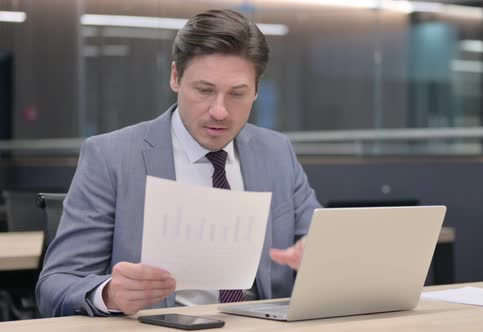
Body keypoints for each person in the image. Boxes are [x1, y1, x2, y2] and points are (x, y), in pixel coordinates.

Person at [36, 8, 321, 317]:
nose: (220, 111)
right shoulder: (111, 157)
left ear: (257, 90)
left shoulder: (276, 152)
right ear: (175, 77)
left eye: (237, 94)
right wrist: (109, 294)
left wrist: (321, 258)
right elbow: (55, 285)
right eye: (204, 90)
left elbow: (322, 246)